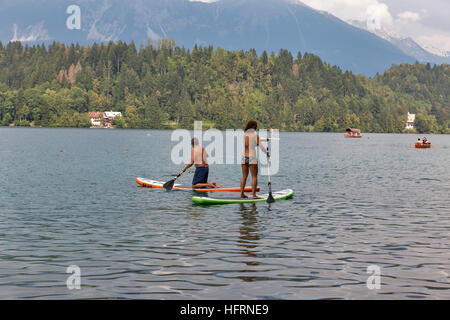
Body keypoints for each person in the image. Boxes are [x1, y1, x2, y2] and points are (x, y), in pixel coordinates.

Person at [240, 120, 270, 199]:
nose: (256, 128)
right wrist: (266, 153)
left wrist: (263, 140)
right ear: (253, 126)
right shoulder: (255, 135)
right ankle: (254, 195)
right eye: (256, 126)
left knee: (244, 176)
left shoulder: (245, 134)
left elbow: (249, 144)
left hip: (244, 157)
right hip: (252, 157)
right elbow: (260, 146)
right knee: (254, 176)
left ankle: (242, 194)